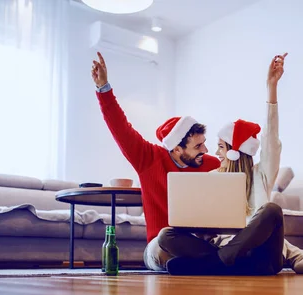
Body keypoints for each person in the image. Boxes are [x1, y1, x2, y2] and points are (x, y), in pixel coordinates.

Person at [160, 53, 303, 274]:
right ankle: (225, 264)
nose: (216, 153)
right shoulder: (211, 179)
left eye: (221, 147)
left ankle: (216, 264)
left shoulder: (261, 174)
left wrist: (272, 88)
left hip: (262, 255)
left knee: (272, 210)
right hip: (232, 254)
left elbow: (271, 138)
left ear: (235, 152)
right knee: (166, 235)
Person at [91, 52, 221, 271]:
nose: (206, 150)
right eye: (198, 146)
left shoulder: (213, 166)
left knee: (210, 244)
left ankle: (201, 264)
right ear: (177, 149)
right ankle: (212, 263)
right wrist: (103, 89)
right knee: (163, 243)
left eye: (204, 144)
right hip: (162, 244)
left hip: (199, 242)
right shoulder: (148, 159)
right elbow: (120, 128)